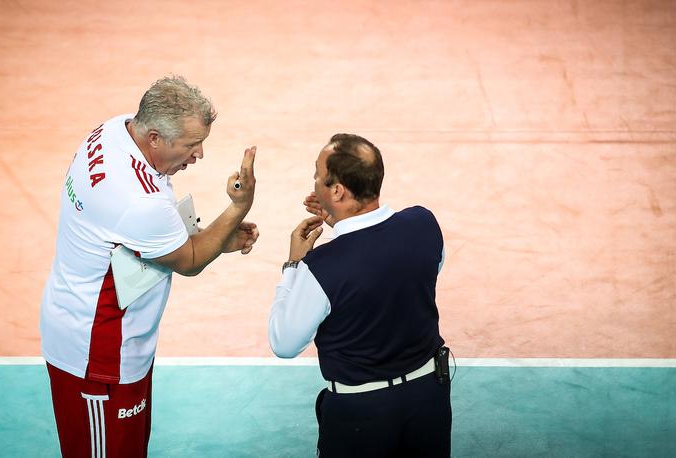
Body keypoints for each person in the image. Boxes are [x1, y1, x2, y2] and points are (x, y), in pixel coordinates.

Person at [40, 75, 258, 457]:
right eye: (192, 145)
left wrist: (217, 240)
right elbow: (188, 261)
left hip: (118, 341)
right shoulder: (138, 201)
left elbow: (152, 241)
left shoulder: (115, 130)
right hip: (98, 354)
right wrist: (238, 207)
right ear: (155, 137)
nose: (199, 155)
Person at [268, 133, 451, 457]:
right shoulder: (424, 224)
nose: (314, 184)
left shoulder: (320, 267)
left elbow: (284, 343)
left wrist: (293, 264)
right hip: (429, 402)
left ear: (337, 190)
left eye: (317, 176)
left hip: (359, 417)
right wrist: (341, 221)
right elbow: (412, 274)